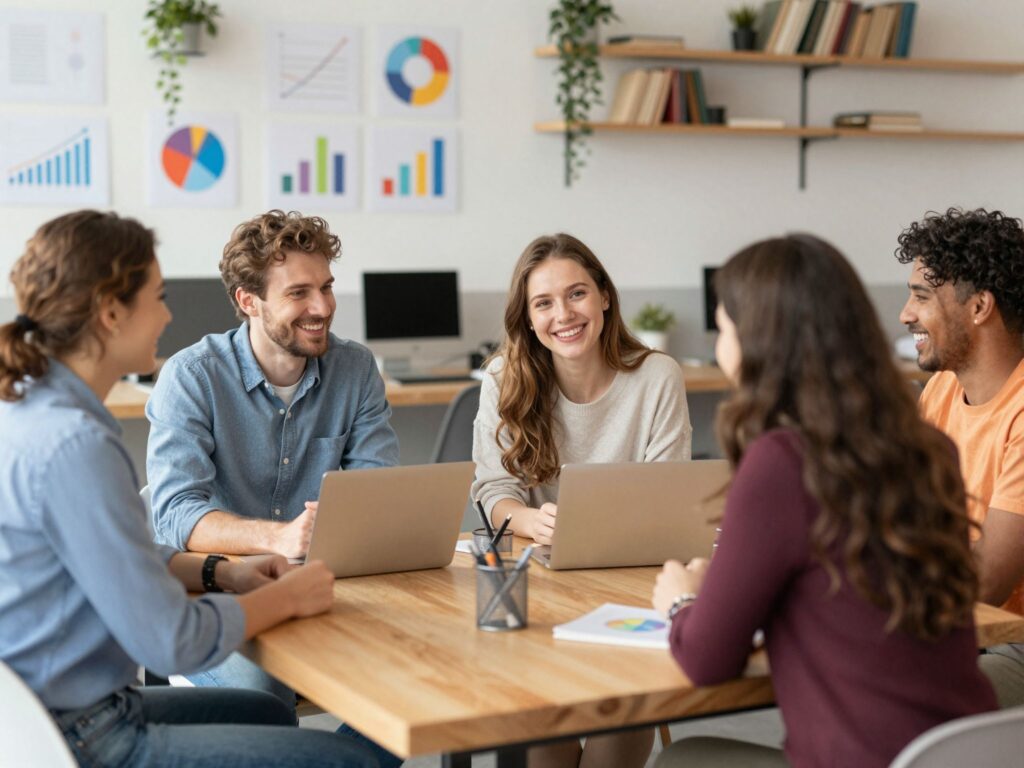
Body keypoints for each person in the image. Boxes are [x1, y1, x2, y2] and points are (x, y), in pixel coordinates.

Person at [0, 210, 378, 768]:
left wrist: (219, 571)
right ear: (110, 313)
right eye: (158, 296)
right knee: (352, 762)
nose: (168, 314)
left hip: (61, 709)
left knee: (272, 718)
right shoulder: (76, 444)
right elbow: (168, 641)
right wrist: (284, 597)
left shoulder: (38, 410)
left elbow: (116, 554)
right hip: (81, 734)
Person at [652, 235, 995, 768]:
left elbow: (707, 660)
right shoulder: (932, 450)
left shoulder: (781, 462)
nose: (720, 347)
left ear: (758, 341)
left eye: (724, 329)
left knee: (683, 759)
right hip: (965, 751)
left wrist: (681, 602)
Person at [145, 210, 401, 764]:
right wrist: (279, 538)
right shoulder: (192, 377)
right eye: (300, 293)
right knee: (264, 694)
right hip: (212, 593)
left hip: (323, 588)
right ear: (248, 302)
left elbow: (377, 491)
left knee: (421, 679)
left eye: (328, 287)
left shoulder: (355, 369)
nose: (324, 307)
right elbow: (177, 514)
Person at [472, 233, 691, 768]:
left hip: (632, 589)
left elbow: (669, 500)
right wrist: (526, 518)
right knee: (546, 736)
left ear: (604, 298)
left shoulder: (657, 376)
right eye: (543, 303)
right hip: (542, 589)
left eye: (577, 294)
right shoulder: (504, 378)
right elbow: (492, 491)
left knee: (615, 734)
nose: (563, 315)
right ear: (526, 318)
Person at [895, 207, 1024, 708]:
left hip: (1010, 642)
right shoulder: (943, 390)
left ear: (979, 307)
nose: (906, 313)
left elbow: (987, 581)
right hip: (958, 628)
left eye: (922, 296)